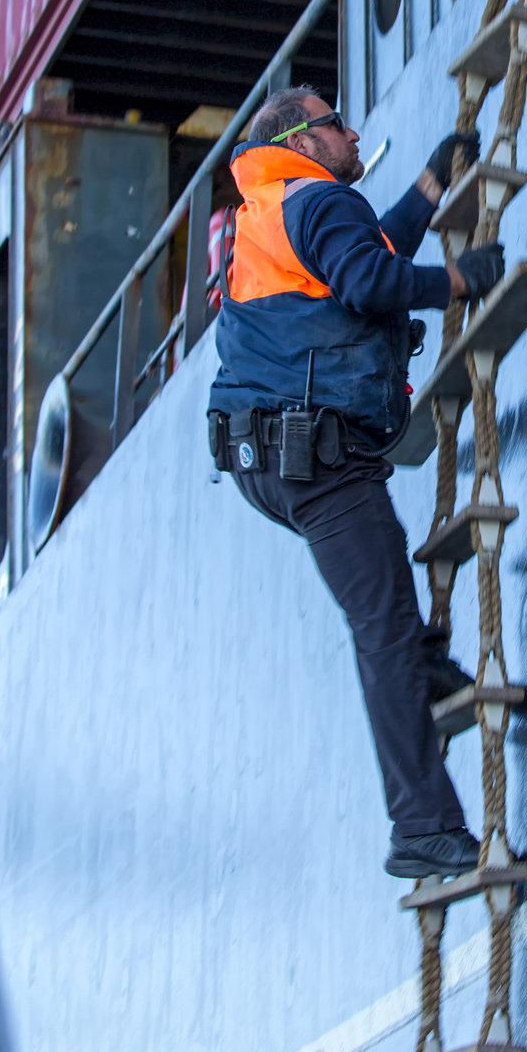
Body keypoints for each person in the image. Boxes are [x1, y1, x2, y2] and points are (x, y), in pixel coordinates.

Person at [207, 86, 504, 878]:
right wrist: (458, 282)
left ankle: (422, 667)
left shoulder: (274, 208)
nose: (353, 133)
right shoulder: (318, 200)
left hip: (269, 460)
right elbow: (372, 280)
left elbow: (368, 252)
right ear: (302, 142)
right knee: (380, 627)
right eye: (337, 123)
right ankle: (422, 828)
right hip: (315, 452)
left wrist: (431, 185)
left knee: (382, 592)